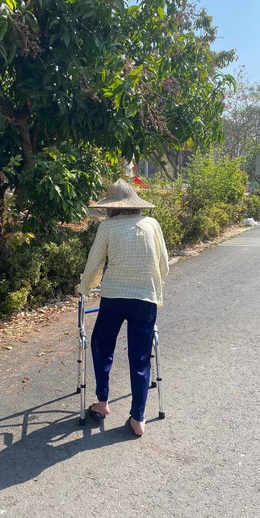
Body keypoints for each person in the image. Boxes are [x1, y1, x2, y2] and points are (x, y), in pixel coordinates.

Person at [77, 178, 169, 436]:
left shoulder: (107, 227)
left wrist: (84, 288)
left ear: (111, 207)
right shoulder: (152, 224)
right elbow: (163, 264)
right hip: (145, 298)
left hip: (114, 297)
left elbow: (94, 264)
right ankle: (138, 418)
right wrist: (153, 285)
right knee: (140, 356)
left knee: (101, 344)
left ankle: (102, 402)